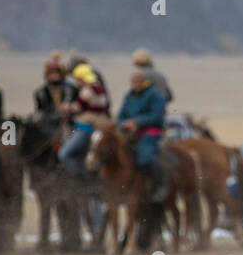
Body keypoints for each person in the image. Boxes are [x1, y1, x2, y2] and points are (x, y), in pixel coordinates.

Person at [118, 70, 167, 201]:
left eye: (137, 82)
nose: (134, 84)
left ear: (144, 82)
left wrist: (138, 122)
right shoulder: (129, 96)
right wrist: (124, 124)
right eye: (133, 82)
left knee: (145, 156)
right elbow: (121, 115)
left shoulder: (154, 96)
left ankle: (159, 185)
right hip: (129, 133)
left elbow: (157, 115)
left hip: (149, 131)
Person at [59, 61, 109, 175]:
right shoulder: (99, 88)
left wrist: (66, 107)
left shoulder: (87, 90)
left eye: (77, 79)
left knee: (64, 154)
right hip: (100, 125)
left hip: (86, 127)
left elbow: (78, 107)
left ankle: (76, 177)